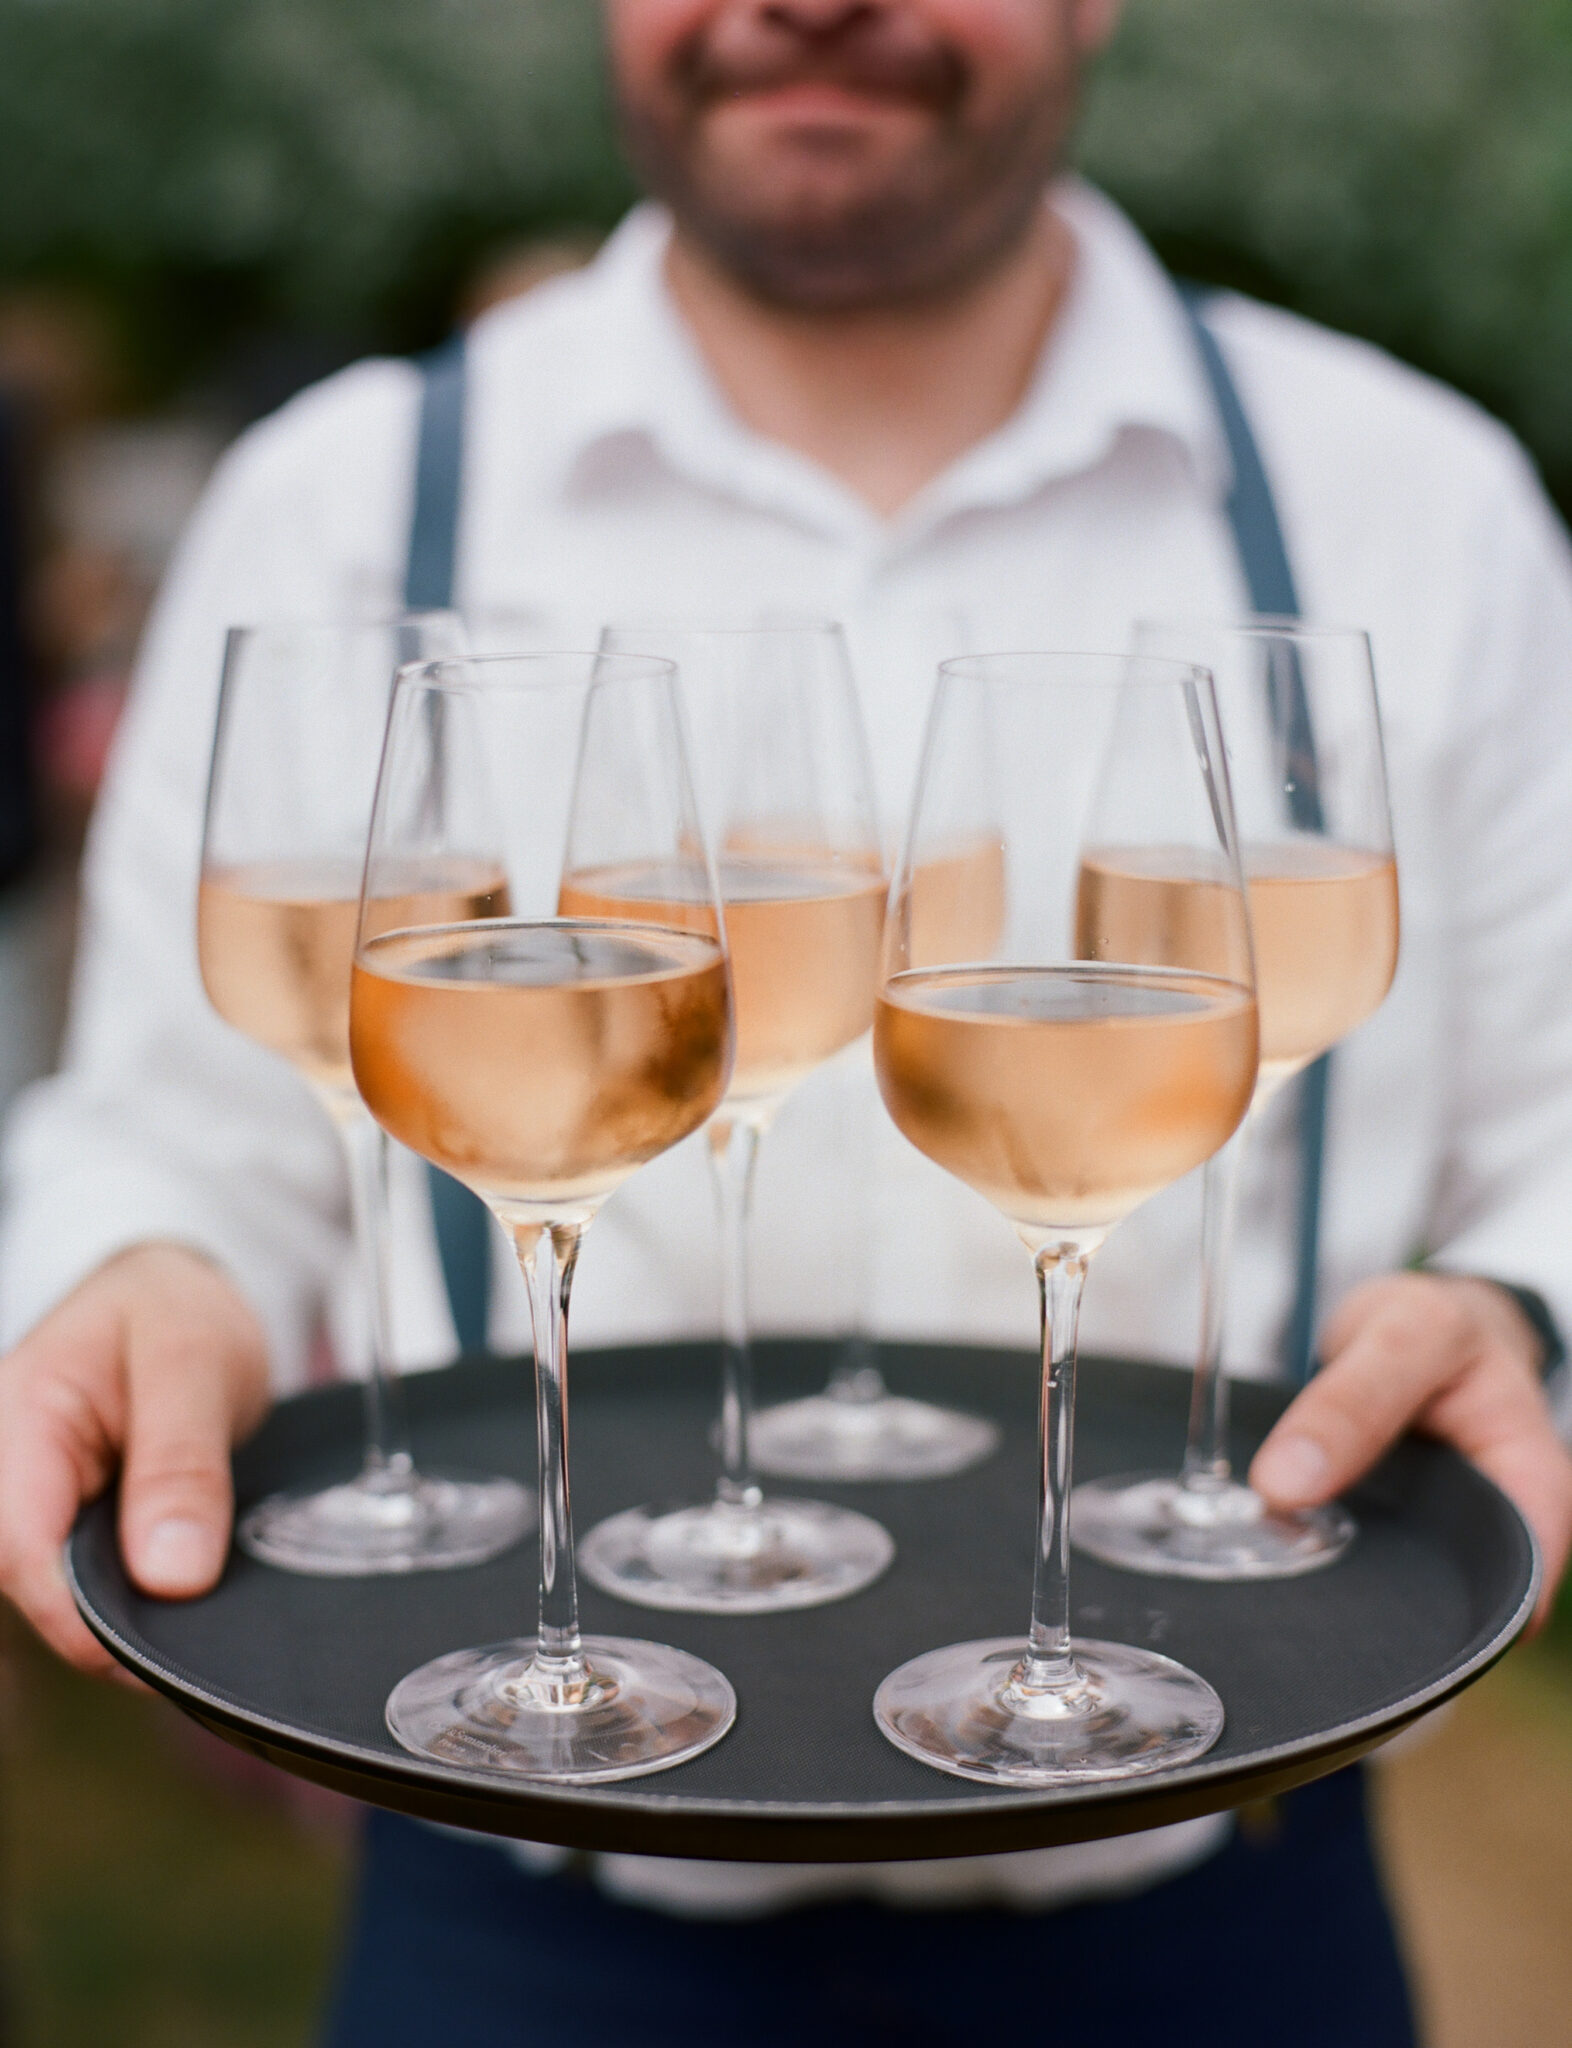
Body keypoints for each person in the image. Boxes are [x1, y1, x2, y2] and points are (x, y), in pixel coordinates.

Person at [2, 2, 1571, 2040]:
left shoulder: (1418, 501)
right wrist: (141, 1269)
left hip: (1222, 1919)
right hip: (526, 1916)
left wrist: (1527, 1324)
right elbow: (174, 1116)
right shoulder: (346, 496)